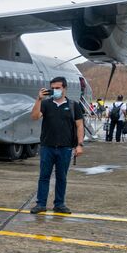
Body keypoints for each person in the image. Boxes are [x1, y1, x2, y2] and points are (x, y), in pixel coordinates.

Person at [30, 77, 84, 215]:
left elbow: (79, 126)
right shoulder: (46, 104)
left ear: (64, 88)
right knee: (44, 176)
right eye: (52, 88)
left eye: (58, 87)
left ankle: (59, 204)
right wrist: (38, 99)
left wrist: (79, 145)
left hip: (65, 148)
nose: (55, 90)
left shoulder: (73, 105)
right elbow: (35, 116)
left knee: (62, 177)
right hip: (47, 147)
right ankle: (41, 204)